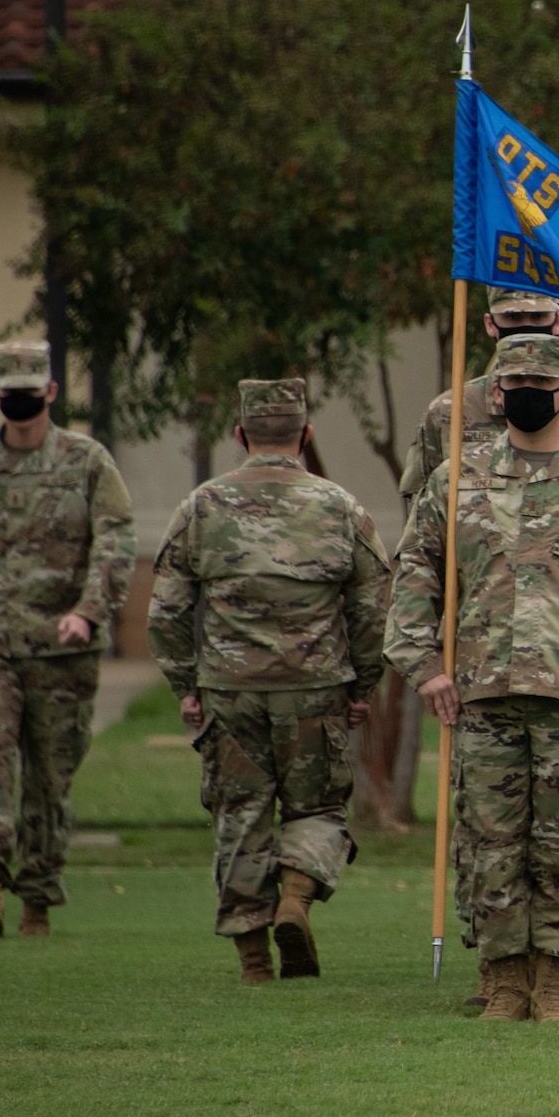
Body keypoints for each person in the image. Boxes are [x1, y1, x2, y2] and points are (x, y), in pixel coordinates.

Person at [384, 334, 559, 1022]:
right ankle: (504, 979)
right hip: (482, 692)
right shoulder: (457, 479)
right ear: (495, 392)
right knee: (491, 844)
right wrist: (424, 667)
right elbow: (415, 575)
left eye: (540, 382)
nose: (524, 393)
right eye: (511, 382)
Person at [147, 379, 390, 982]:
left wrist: (187, 685)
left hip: (230, 692)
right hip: (316, 688)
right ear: (306, 436)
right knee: (320, 807)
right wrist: (361, 687)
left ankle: (254, 962)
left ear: (240, 435)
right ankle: (294, 900)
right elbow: (374, 609)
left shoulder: (200, 508)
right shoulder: (340, 507)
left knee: (240, 815)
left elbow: (165, 612)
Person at [0, 341, 135, 940]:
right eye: (9, 392)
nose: (20, 402)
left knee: (50, 776)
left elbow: (115, 542)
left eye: (30, 392)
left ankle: (37, 900)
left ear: (50, 392)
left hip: (61, 647)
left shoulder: (88, 462)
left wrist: (90, 613)